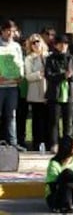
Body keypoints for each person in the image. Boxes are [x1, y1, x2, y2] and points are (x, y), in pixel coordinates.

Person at [45, 34, 73, 153]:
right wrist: (62, 76)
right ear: (56, 45)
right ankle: (54, 144)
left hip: (70, 94)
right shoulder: (50, 59)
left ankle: (68, 146)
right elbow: (48, 75)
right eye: (61, 44)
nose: (63, 46)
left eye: (66, 44)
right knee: (54, 122)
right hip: (55, 94)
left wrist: (71, 76)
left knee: (68, 122)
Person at [0, 19, 26, 152]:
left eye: (13, 30)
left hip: (12, 86)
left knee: (11, 115)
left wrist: (20, 75)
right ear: (2, 30)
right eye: (8, 30)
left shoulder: (16, 46)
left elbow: (20, 63)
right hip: (0, 86)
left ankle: (13, 143)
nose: (10, 33)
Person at [25, 33, 49, 151]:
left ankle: (49, 143)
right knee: (37, 120)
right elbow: (28, 76)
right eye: (33, 42)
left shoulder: (48, 56)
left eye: (38, 41)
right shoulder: (29, 58)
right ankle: (37, 144)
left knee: (49, 119)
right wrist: (39, 74)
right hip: (35, 93)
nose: (36, 44)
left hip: (48, 92)